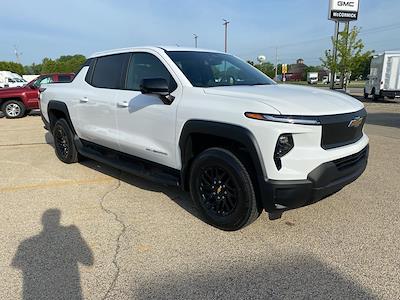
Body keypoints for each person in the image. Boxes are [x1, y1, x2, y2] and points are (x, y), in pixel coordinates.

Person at [11, 209, 93, 300]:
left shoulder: (26, 243)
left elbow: (17, 264)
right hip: (69, 292)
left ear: (43, 222)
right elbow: (88, 261)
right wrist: (77, 236)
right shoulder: (26, 243)